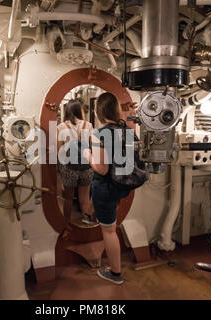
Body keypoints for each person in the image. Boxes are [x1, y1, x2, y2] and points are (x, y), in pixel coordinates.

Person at [82, 92, 132, 285]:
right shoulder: (127, 130)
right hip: (121, 184)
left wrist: (88, 155)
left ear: (98, 111)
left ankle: (116, 274)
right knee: (109, 221)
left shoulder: (99, 134)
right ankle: (90, 214)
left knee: (109, 231)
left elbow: (101, 169)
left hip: (105, 186)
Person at [57, 100, 96, 225]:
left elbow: (60, 152)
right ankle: (86, 224)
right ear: (79, 110)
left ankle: (66, 224)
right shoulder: (88, 125)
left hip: (69, 168)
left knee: (68, 198)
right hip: (86, 167)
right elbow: (92, 147)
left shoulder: (60, 127)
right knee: (84, 198)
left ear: (67, 111)